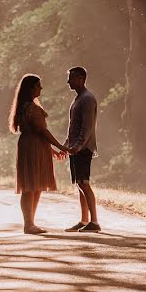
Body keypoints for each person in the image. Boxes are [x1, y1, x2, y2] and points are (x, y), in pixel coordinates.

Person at [10, 74, 69, 234]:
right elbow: (42, 131)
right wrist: (60, 146)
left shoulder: (28, 106)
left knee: (35, 185)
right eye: (38, 85)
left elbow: (39, 133)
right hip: (32, 147)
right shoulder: (30, 107)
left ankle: (31, 223)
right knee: (30, 186)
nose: (41, 88)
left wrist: (53, 151)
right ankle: (28, 224)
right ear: (30, 88)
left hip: (34, 145)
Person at [62, 66, 100, 233]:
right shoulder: (78, 98)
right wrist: (66, 145)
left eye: (71, 78)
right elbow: (73, 126)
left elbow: (87, 127)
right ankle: (84, 220)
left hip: (83, 148)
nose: (68, 81)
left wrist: (78, 145)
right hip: (75, 147)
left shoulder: (87, 99)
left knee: (84, 182)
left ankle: (94, 221)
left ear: (81, 78)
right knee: (79, 183)